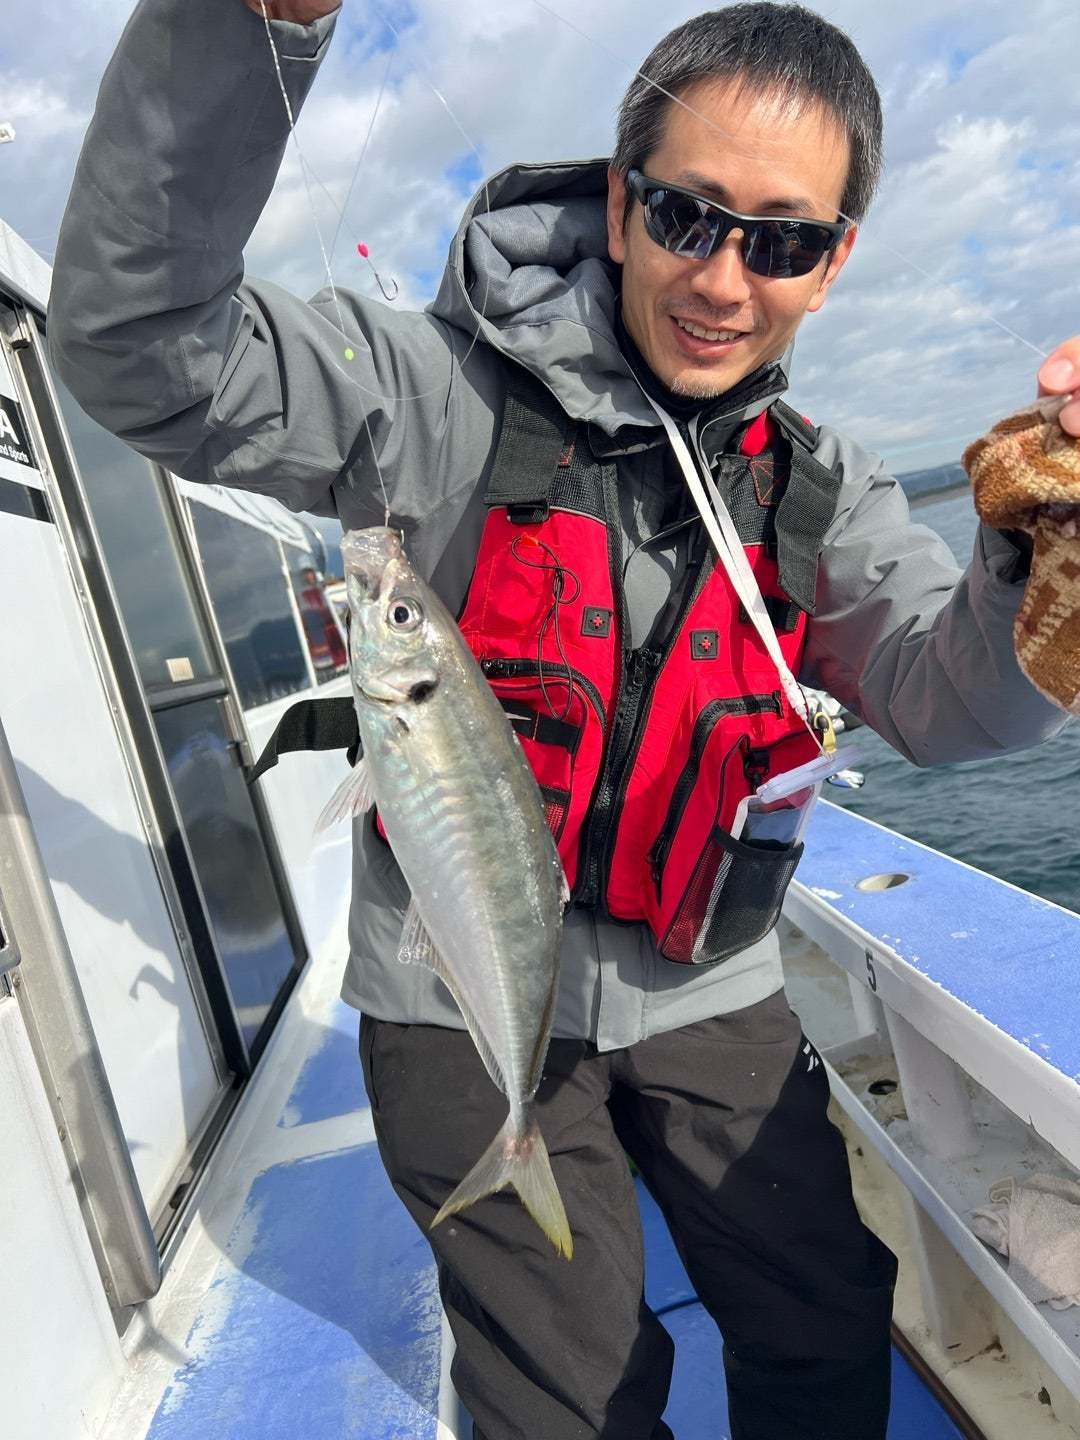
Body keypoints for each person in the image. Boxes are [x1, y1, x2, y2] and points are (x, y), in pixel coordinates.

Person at [48, 2, 1080, 1436]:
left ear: (835, 260)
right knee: (570, 1395)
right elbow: (140, 346)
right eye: (686, 214)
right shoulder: (428, 397)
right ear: (618, 198)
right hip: (456, 1002)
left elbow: (951, 701)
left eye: (782, 241)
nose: (722, 278)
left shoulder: (821, 487)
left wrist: (1053, 553)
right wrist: (249, 29)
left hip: (704, 979)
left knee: (825, 1311)